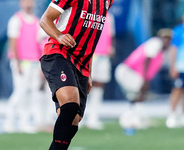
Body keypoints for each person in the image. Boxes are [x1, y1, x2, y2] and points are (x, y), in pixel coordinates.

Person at [39, 0, 114, 149]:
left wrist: (89, 72)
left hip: (82, 64)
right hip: (58, 53)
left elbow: (91, 37)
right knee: (70, 105)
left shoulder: (106, 2)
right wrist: (59, 36)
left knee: (73, 120)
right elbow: (44, 20)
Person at [3, 0, 47, 133]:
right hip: (22, 62)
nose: (29, 4)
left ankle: (25, 122)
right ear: (21, 3)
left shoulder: (36, 21)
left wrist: (41, 65)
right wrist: (17, 63)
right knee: (20, 92)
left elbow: (40, 44)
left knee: (31, 93)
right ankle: (9, 121)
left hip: (34, 62)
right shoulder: (16, 20)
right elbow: (13, 43)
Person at [115, 29, 172, 129]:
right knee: (139, 92)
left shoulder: (163, 52)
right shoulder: (156, 42)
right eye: (165, 38)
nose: (167, 41)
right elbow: (148, 58)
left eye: (169, 39)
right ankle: (133, 117)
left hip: (134, 73)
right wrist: (145, 78)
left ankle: (136, 117)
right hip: (129, 71)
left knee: (137, 94)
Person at [85, 13, 115, 130]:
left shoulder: (109, 17)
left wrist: (110, 47)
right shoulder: (89, 13)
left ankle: (93, 117)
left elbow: (110, 35)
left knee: (98, 86)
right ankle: (80, 116)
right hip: (90, 55)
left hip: (103, 56)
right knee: (84, 85)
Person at [166, 9, 184, 128]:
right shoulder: (178, 31)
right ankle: (172, 115)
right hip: (181, 67)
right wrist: (173, 66)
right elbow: (173, 50)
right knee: (177, 90)